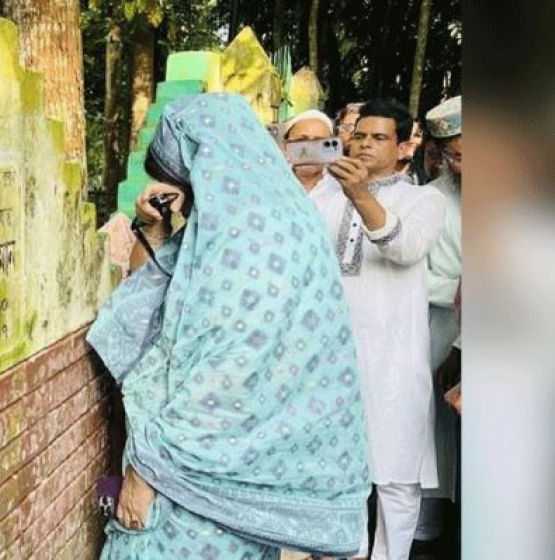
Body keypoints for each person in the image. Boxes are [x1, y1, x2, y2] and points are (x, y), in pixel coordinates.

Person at [87, 92, 371, 559]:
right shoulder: (264, 220)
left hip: (197, 483)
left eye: (177, 172)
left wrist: (145, 470)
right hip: (244, 473)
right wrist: (153, 227)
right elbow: (149, 292)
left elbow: (221, 380)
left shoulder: (247, 240)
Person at [309, 98, 446, 560]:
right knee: (335, 470)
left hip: (394, 358)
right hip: (329, 356)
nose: (366, 144)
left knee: (395, 475)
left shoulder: (425, 199)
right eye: (360, 135)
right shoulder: (323, 196)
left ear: (405, 144)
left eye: (379, 137)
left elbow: (405, 248)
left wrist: (361, 196)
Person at [413, 95, 462, 555]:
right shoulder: (431, 200)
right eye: (454, 154)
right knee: (438, 438)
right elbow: (414, 273)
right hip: (445, 332)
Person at [280, 109, 336, 192]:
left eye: (318, 141)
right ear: (286, 145)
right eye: (301, 140)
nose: (310, 149)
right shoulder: (273, 180)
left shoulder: (343, 188)